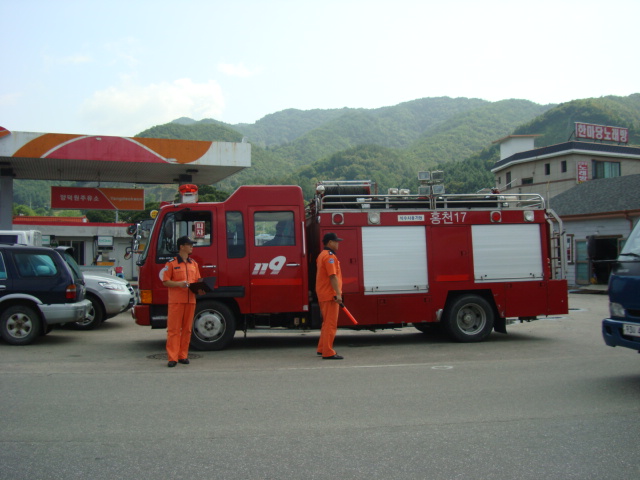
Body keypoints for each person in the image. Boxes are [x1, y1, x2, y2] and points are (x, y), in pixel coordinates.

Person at [160, 236, 202, 368]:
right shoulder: (171, 263)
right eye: (189, 245)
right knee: (174, 330)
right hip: (176, 301)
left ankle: (183, 355)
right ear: (181, 246)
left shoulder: (194, 264)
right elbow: (166, 281)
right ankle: (172, 357)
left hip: (190, 300)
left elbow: (197, 281)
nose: (191, 247)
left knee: (187, 330)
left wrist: (201, 289)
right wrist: (179, 284)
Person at [316, 232, 344, 360]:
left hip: (324, 293)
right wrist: (338, 294)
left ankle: (322, 348)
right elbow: (332, 276)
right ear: (330, 242)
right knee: (330, 324)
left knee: (326, 323)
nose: (338, 244)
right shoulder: (329, 257)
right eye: (336, 241)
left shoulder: (322, 255)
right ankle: (328, 352)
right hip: (330, 294)